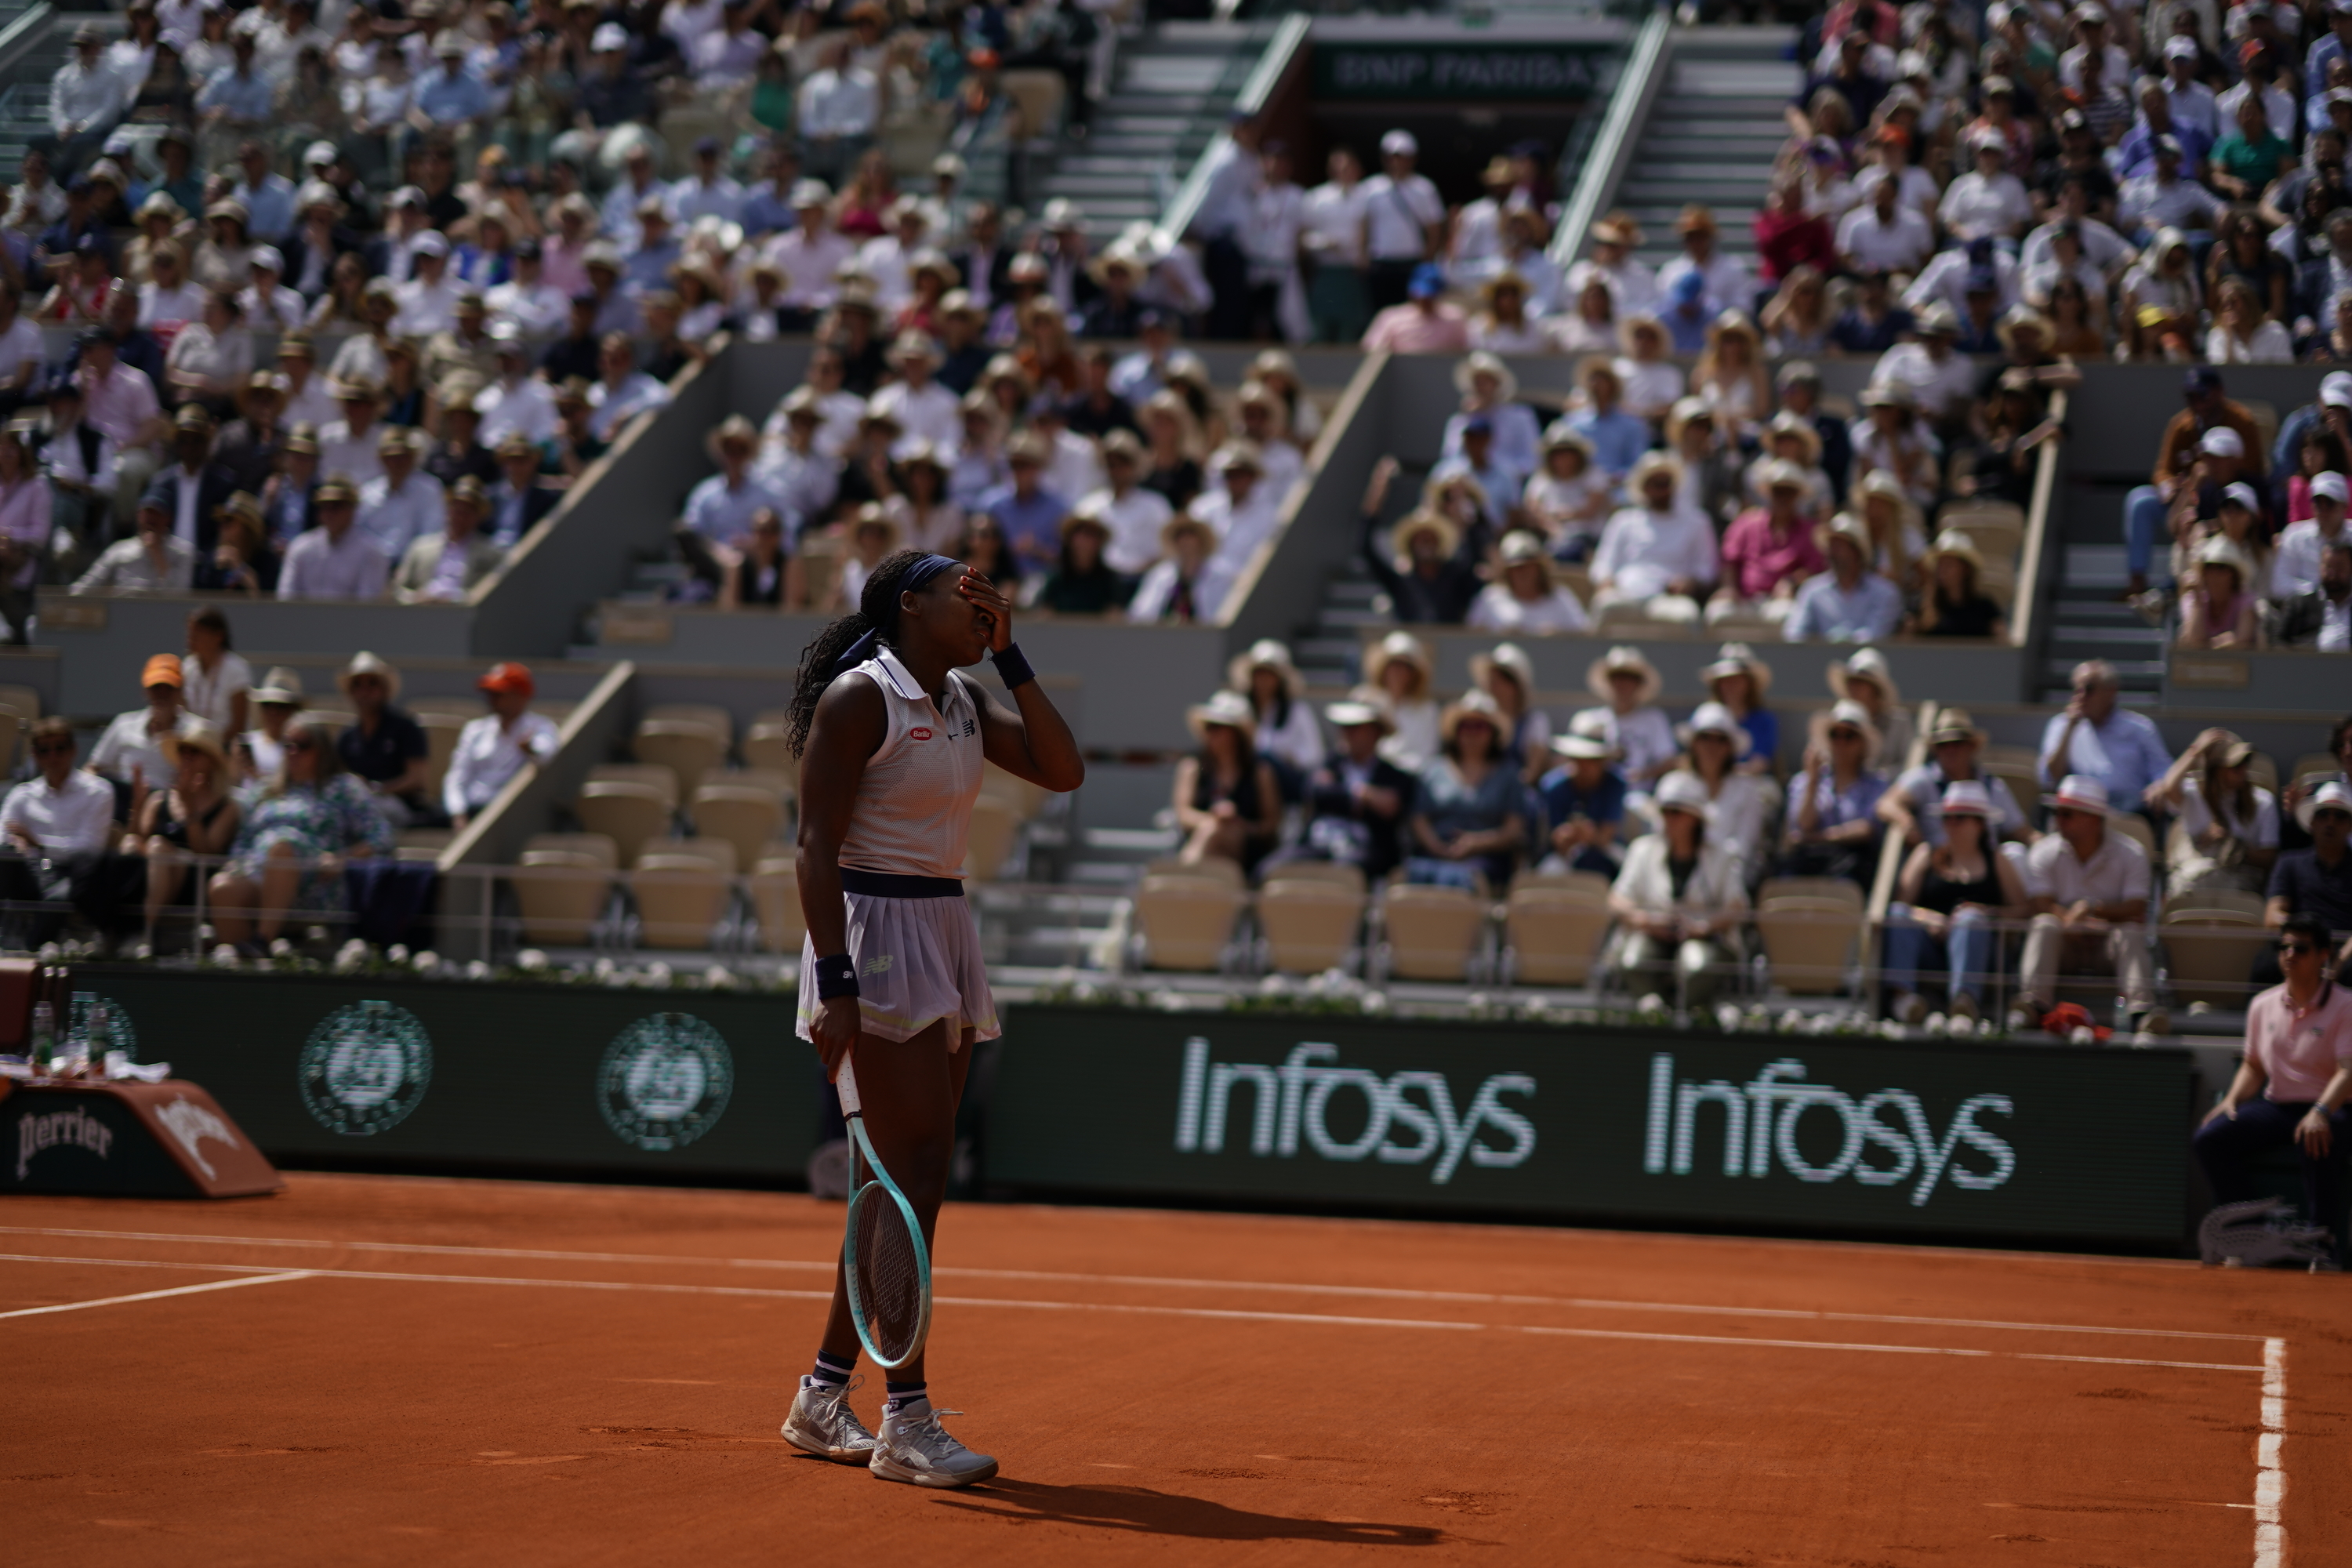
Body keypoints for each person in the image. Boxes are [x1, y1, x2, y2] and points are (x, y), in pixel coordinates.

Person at [781, 546, 1080, 1489]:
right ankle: (905, 1417)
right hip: (871, 937)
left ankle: (823, 1393)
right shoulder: (859, 697)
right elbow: (813, 845)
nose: (983, 600)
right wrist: (836, 982)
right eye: (964, 590)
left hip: (942, 925)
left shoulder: (962, 698)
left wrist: (1012, 654)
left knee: (900, 1180)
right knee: (908, 1180)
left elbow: (1062, 769)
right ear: (911, 604)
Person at [2194, 913, 2352, 1267]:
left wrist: (2320, 1112)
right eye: (2283, 947)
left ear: (2324, 955)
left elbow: (2348, 1071)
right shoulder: (2262, 1004)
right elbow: (2253, 1066)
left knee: (2316, 1136)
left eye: (2301, 948)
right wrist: (2232, 1100)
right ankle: (2253, 1236)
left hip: (2334, 1106)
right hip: (2278, 1106)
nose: (2290, 955)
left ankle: (2323, 1246)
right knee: (2210, 1138)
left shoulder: (2347, 1005)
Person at [207, 713, 393, 950]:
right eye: (287, 745)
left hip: (313, 880)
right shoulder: (265, 790)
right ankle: (244, 963)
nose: (293, 752)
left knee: (282, 847)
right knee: (223, 887)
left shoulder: (343, 787)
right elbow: (244, 840)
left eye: (303, 745)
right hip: (258, 872)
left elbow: (382, 837)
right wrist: (236, 866)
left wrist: (342, 859)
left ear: (322, 750)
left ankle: (263, 941)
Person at [2013, 775, 2166, 1041]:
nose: (2058, 820)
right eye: (2057, 813)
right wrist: (2072, 920)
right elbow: (2041, 904)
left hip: (2108, 946)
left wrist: (2093, 910)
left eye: (2067, 814)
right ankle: (2033, 1006)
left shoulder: (2132, 852)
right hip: (2065, 942)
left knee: (2130, 932)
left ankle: (2141, 1013)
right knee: (2044, 924)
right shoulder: (2043, 851)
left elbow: (2137, 906)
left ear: (2094, 819)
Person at [1883, 780, 2029, 1026]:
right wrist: (1929, 919)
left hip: (1983, 956)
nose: (1951, 824)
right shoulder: (1926, 854)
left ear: (1980, 824)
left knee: (1970, 920)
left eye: (1959, 818)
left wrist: (1984, 913)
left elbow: (2024, 910)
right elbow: (1900, 905)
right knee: (1897, 915)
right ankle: (1903, 998)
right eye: (1947, 817)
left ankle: (1964, 1001)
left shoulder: (1998, 860)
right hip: (1934, 952)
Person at [1607, 770, 1748, 1011]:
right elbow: (1617, 899)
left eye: (1677, 812)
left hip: (1706, 939)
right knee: (1633, 962)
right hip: (1651, 934)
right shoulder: (1642, 850)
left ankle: (1690, 1020)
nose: (1669, 819)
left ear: (1696, 818)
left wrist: (1704, 927)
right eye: (1665, 812)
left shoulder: (1722, 855)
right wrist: (1646, 921)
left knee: (1697, 968)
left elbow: (1737, 906)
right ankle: (1655, 1018)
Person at [0, 715, 132, 946]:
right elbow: (4, 835)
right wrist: (16, 844)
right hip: (31, 870)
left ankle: (29, 951)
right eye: (44, 750)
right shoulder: (21, 795)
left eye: (60, 748)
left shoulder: (98, 791)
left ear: (73, 750)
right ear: (35, 755)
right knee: (5, 853)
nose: (53, 757)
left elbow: (89, 848)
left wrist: (37, 843)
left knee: (60, 897)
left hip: (76, 874)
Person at [1279, 699, 1412, 883]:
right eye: (1344, 728)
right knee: (1272, 869)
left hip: (1365, 853)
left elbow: (1390, 807)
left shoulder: (1395, 776)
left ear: (1376, 733)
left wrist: (1340, 795)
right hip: (1317, 845)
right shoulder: (1329, 764)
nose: (1347, 734)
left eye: (1355, 728)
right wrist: (1363, 797)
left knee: (1344, 873)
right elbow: (1316, 793)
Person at [132, 719, 239, 943]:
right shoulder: (159, 799)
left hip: (195, 885)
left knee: (159, 847)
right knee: (133, 845)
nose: (187, 756)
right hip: (152, 878)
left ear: (211, 761)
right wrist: (137, 806)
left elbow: (207, 855)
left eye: (195, 751)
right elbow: (137, 843)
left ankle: (143, 933)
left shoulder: (227, 808)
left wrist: (190, 810)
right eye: (183, 750)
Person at [1406, 691, 1524, 893]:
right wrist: (1438, 847)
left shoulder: (1508, 775)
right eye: (1465, 726)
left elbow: (1514, 829)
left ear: (1493, 733)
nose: (1471, 733)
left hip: (1485, 860)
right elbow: (1419, 819)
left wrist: (1477, 843)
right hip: (1434, 856)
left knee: (1463, 881)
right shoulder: (1433, 770)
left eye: (1480, 726)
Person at [1881, 708, 2028, 848]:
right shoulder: (1923, 778)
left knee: (2015, 852)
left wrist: (2038, 844)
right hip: (1938, 860)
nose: (1950, 750)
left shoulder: (1993, 786)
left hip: (1986, 862)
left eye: (1957, 743)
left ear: (1971, 746)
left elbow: (2021, 831)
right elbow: (1887, 803)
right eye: (1943, 745)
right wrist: (1905, 821)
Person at [2040, 659, 2173, 811]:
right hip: (2081, 807)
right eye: (2076, 690)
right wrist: (2070, 729)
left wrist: (2157, 786)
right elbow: (2050, 778)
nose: (2080, 697)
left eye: (2089, 689)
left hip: (2129, 808)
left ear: (2111, 691)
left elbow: (2162, 769)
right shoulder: (2061, 725)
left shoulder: (2140, 728)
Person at [1779, 699, 1888, 885]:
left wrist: (1819, 837)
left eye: (1849, 736)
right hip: (1807, 861)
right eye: (1834, 735)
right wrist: (1813, 780)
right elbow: (1804, 824)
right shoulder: (1804, 781)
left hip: (1851, 863)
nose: (1840, 742)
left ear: (1863, 744)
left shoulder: (1876, 784)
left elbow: (1866, 829)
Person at [1171, 689, 1280, 874]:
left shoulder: (1259, 773)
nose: (1211, 734)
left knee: (1223, 832)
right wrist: (1213, 821)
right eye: (1208, 727)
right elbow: (1183, 814)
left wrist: (1240, 825)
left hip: (1247, 849)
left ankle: (1185, 874)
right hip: (1202, 835)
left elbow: (1270, 824)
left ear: (1236, 734)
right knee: (1213, 829)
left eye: (1217, 727)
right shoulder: (1193, 768)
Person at [442, 662, 559, 832]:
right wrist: (458, 814)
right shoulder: (475, 730)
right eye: (491, 693)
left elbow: (546, 754)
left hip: (513, 814)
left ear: (521, 696)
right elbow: (457, 777)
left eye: (500, 694)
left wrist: (530, 749)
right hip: (474, 808)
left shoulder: (540, 727)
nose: (493, 699)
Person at [2263, 782, 2352, 986]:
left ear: (2350, 826)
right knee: (2265, 967)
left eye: (2340, 816)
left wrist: (2340, 960)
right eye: (2323, 815)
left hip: (2347, 950)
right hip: (2299, 942)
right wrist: (2306, 938)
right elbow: (2272, 916)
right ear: (2311, 822)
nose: (2330, 822)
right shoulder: (2289, 862)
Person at [1671, 702, 1773, 875]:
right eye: (1705, 737)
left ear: (1731, 747)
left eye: (1721, 739)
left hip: (1731, 877)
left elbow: (1745, 845)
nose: (1712, 746)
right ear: (1693, 743)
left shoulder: (1748, 790)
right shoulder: (1675, 785)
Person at [333, 651, 430, 829]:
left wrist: (377, 789)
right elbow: (337, 776)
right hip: (356, 805)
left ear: (385, 689)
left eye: (372, 683)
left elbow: (417, 779)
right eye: (357, 685)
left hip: (399, 806)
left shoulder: (406, 727)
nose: (365, 691)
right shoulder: (347, 735)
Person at [89, 652, 190, 811]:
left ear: (180, 692)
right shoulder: (124, 724)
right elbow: (94, 768)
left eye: (169, 688)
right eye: (156, 688)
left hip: (167, 805)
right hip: (124, 802)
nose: (162, 695)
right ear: (146, 691)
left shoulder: (195, 731)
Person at [1784, 513, 1904, 644]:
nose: (1832, 553)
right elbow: (1795, 633)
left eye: (1839, 546)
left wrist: (1838, 641)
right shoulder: (1811, 590)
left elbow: (1875, 635)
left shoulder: (1885, 593)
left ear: (1857, 552)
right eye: (1831, 545)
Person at [1536, 712, 1630, 876]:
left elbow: (1607, 837)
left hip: (1607, 849)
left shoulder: (1615, 783)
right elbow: (1555, 840)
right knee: (1548, 872)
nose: (1585, 765)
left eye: (1593, 759)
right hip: (1566, 855)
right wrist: (1566, 837)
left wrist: (1590, 835)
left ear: (1604, 761)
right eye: (1580, 758)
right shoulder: (1553, 786)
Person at [1578, 644, 1678, 789]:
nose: (1622, 684)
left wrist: (1641, 775)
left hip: (1641, 794)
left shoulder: (1654, 719)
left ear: (1639, 684)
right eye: (1617, 677)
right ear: (1609, 681)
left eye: (1630, 678)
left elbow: (1669, 761)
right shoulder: (1589, 720)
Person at [1228, 639, 1321, 789]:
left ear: (1280, 680)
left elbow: (1314, 755)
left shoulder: (1298, 711)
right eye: (1259, 673)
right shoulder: (1239, 708)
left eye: (1269, 675)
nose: (1263, 680)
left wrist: (1290, 757)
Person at [276, 476, 387, 600]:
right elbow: (286, 597)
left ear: (352, 509)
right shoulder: (301, 547)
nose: (329, 513)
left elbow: (367, 603)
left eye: (337, 506)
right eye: (324, 506)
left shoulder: (371, 552)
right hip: (305, 613)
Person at [1468, 532, 1591, 636]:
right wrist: (1503, 637)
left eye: (1528, 566)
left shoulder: (1560, 596)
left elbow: (1584, 633)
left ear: (1539, 569)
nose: (1522, 573)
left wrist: (1557, 636)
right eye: (1516, 568)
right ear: (1506, 572)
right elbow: (1471, 635)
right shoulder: (1490, 598)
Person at [1355, 630, 1439, 775]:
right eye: (1393, 663)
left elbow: (1427, 754)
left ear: (1414, 673)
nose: (1398, 671)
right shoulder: (1364, 699)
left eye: (1406, 666)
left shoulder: (1427, 709)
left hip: (1411, 778)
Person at [179, 604, 249, 736]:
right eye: (190, 631)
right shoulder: (187, 667)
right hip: (191, 742)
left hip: (224, 744)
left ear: (218, 636)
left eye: (198, 631)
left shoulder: (236, 669)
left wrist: (214, 744)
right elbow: (182, 713)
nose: (191, 637)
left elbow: (239, 726)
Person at [2277, 540, 2352, 651]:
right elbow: (2278, 642)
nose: (2333, 574)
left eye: (2339, 568)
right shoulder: (2300, 605)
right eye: (2328, 567)